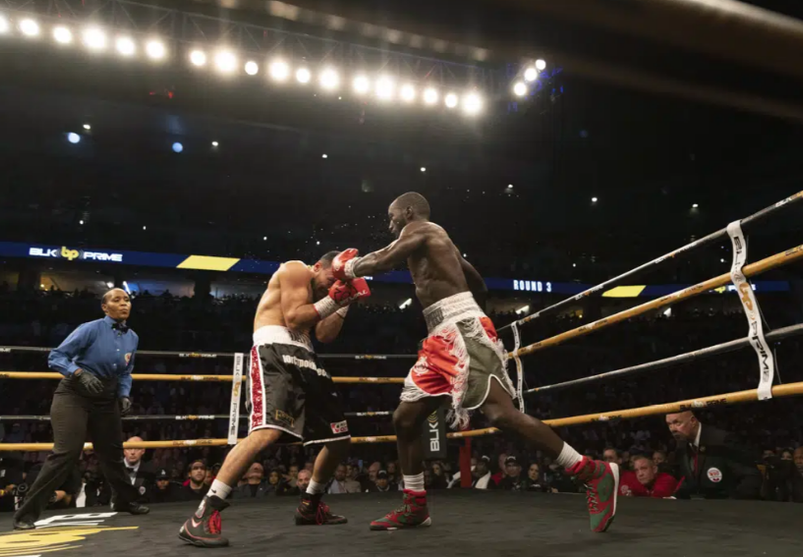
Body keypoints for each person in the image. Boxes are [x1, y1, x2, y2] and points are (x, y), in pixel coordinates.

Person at [331, 192, 618, 533]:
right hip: (444, 335)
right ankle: (415, 506)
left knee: (499, 414)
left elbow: (383, 260)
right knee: (405, 419)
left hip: (462, 331)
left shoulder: (423, 228)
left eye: (393, 217)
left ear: (409, 212)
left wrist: (345, 268)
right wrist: (471, 313)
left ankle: (590, 471)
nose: (389, 224)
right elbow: (477, 281)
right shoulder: (441, 244)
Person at [179, 252, 369, 547]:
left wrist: (345, 301)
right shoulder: (296, 269)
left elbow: (325, 334)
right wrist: (335, 296)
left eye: (338, 284)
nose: (329, 287)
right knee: (266, 432)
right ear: (317, 267)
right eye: (330, 281)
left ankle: (310, 506)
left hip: (306, 357)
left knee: (339, 438)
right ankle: (203, 514)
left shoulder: (326, 292)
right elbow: (293, 317)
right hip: (274, 352)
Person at [13, 289, 148, 530]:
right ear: (105, 307)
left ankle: (124, 501)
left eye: (127, 299)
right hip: (74, 394)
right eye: (116, 300)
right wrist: (78, 373)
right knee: (66, 452)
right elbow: (56, 356)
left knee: (112, 453)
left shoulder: (133, 337)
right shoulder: (91, 328)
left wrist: (124, 394)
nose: (124, 303)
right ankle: (26, 514)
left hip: (106, 397)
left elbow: (126, 372)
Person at [666, 411, 761, 499]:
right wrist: (675, 498)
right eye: (669, 424)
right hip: (699, 509)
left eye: (677, 423)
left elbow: (751, 477)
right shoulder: (682, 445)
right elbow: (689, 480)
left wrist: (733, 505)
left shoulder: (721, 440)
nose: (672, 429)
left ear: (693, 421)